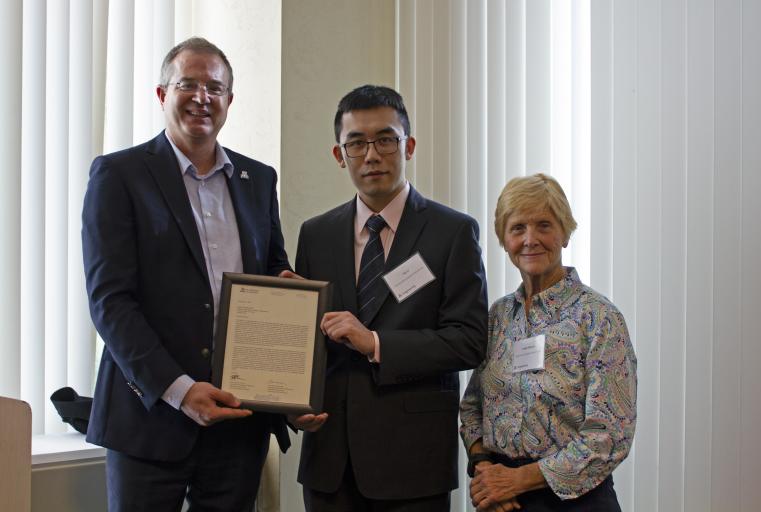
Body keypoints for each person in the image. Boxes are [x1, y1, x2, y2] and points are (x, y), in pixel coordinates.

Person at [82, 37, 292, 511]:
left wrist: (289, 291)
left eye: (215, 88)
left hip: (240, 416)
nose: (202, 97)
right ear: (162, 94)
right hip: (149, 417)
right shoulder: (119, 175)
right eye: (188, 84)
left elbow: (274, 268)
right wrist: (180, 391)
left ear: (229, 102)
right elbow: (110, 301)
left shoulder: (258, 179)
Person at [291, 85, 488, 511]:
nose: (371, 155)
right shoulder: (316, 234)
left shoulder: (451, 232)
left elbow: (469, 340)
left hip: (412, 462)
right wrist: (291, 405)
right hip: (330, 461)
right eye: (356, 143)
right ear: (339, 155)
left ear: (409, 146)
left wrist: (375, 343)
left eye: (385, 139)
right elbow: (306, 343)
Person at [459, 173, 637, 512]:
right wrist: (486, 473)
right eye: (517, 228)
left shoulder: (598, 317)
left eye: (544, 225)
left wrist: (519, 479)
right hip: (501, 500)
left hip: (575, 501)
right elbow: (472, 408)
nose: (530, 239)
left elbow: (609, 435)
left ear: (565, 233)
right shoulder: (498, 317)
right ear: (504, 239)